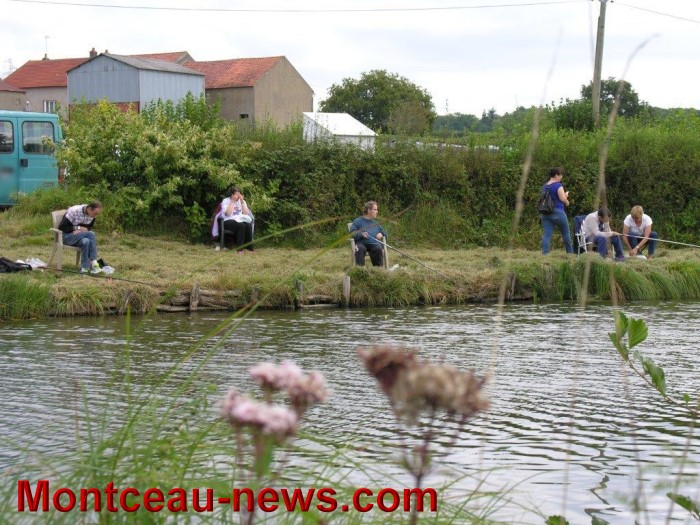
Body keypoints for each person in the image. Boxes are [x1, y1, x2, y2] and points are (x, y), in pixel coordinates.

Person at [58, 201, 103, 273]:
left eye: (97, 214)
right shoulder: (74, 211)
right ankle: (94, 262)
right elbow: (61, 227)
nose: (95, 216)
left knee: (86, 241)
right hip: (66, 237)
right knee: (91, 234)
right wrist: (77, 228)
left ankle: (84, 268)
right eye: (95, 214)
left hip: (79, 237)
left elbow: (88, 228)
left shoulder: (91, 215)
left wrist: (81, 230)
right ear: (89, 209)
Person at [540, 167, 574, 254]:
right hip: (557, 212)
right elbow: (562, 199)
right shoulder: (558, 185)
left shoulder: (544, 186)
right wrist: (566, 200)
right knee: (565, 233)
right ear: (556, 175)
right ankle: (570, 253)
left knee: (546, 235)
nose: (561, 176)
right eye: (560, 175)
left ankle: (545, 254)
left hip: (545, 213)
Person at [215, 187, 254, 253]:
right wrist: (233, 201)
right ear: (232, 194)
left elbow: (246, 214)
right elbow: (228, 214)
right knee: (241, 226)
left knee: (248, 225)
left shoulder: (242, 201)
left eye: (239, 194)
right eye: (236, 194)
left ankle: (250, 248)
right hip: (227, 220)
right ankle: (239, 249)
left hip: (239, 219)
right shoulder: (226, 201)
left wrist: (242, 202)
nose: (238, 196)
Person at [350, 200, 387, 267]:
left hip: (374, 244)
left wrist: (381, 234)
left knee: (378, 248)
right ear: (369, 210)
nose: (377, 211)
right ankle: (360, 270)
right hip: (361, 244)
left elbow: (385, 232)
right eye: (375, 209)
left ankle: (378, 270)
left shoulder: (376, 223)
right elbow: (352, 233)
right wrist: (361, 234)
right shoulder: (358, 221)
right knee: (360, 248)